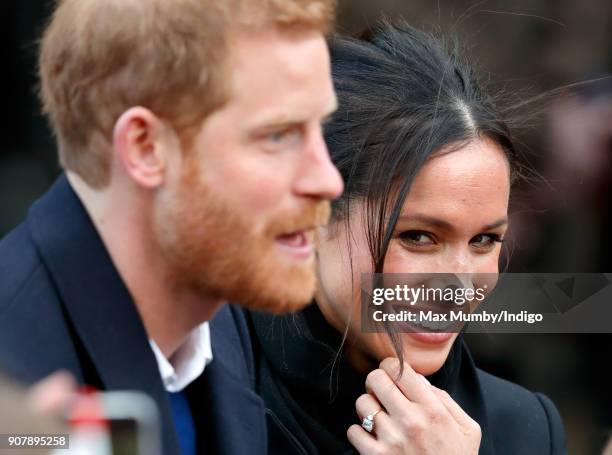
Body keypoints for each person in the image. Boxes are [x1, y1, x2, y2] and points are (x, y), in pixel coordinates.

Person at [0, 0, 343, 454]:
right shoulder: (14, 379)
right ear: (146, 148)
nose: (328, 180)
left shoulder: (219, 321)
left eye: (321, 128)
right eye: (278, 135)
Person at [247, 22, 567, 454]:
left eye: (484, 241)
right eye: (419, 237)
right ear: (313, 216)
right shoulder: (206, 391)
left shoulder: (523, 430)